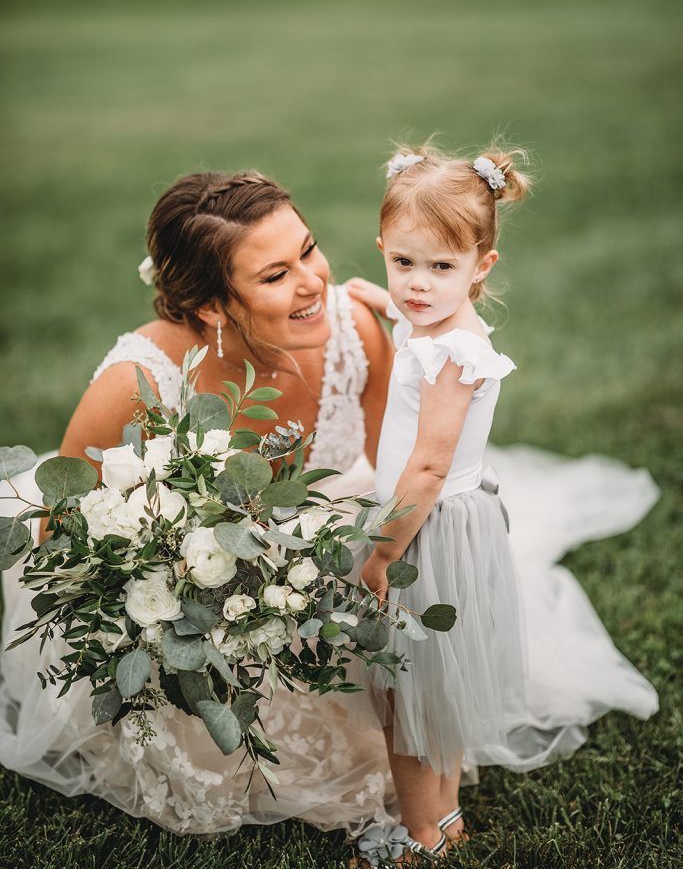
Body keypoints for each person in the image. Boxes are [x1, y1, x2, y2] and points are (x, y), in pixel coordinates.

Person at [0, 157, 659, 848]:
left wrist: (366, 560)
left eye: (307, 250)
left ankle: (429, 815)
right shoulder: (139, 381)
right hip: (192, 597)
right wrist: (181, 578)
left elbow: (399, 467)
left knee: (409, 655)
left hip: (329, 544)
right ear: (211, 307)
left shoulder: (356, 330)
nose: (314, 282)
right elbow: (59, 534)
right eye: (275, 275)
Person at [344, 144, 660, 865]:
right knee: (434, 690)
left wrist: (383, 551)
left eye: (440, 267)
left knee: (406, 700)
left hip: (424, 530)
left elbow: (425, 466)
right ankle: (446, 817)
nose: (417, 285)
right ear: (384, 251)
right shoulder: (426, 321)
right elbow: (403, 323)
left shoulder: (455, 352)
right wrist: (373, 296)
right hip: (450, 524)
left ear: (480, 266)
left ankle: (420, 837)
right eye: (403, 263)